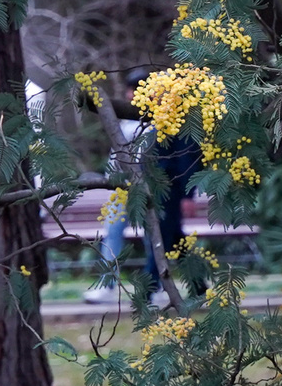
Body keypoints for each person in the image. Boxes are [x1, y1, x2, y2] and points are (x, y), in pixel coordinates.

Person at [82, 70, 204, 308]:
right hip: (137, 187)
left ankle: (148, 293)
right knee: (170, 239)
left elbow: (187, 157)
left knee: (163, 239)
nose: (132, 94)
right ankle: (197, 285)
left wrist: (188, 194)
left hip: (165, 189)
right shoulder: (139, 116)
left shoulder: (178, 117)